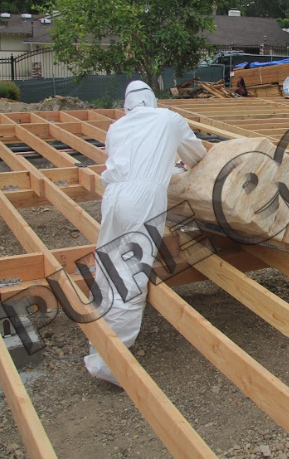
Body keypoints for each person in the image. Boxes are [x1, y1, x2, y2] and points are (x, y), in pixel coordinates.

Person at [84, 80, 206, 386]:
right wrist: (175, 166)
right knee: (131, 278)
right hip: (143, 200)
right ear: (152, 100)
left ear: (126, 105)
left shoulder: (116, 127)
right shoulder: (169, 118)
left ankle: (96, 339)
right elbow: (196, 155)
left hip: (112, 198)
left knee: (108, 267)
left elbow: (129, 159)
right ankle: (110, 365)